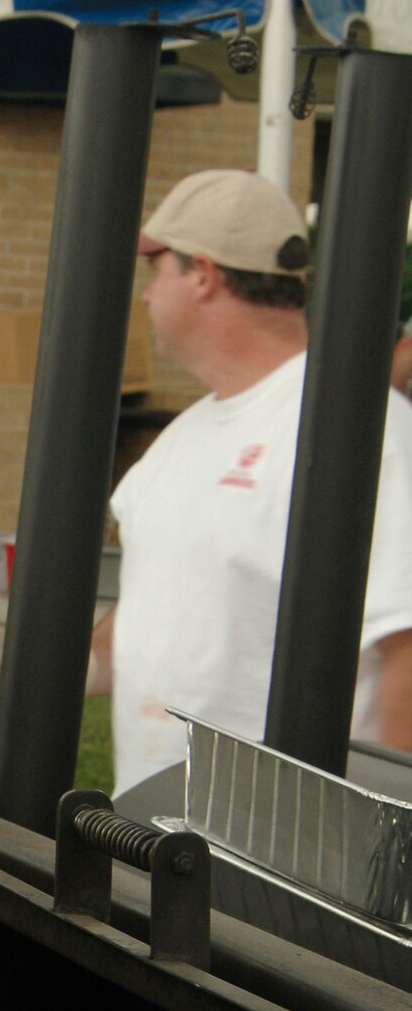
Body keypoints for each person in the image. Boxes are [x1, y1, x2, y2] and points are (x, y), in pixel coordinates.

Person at [88, 169, 412, 796]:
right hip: (154, 838)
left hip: (291, 856)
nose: (148, 298)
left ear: (202, 275)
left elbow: (405, 644)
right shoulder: (182, 439)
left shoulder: (365, 435)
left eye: (156, 274)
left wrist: (386, 853)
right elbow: (159, 597)